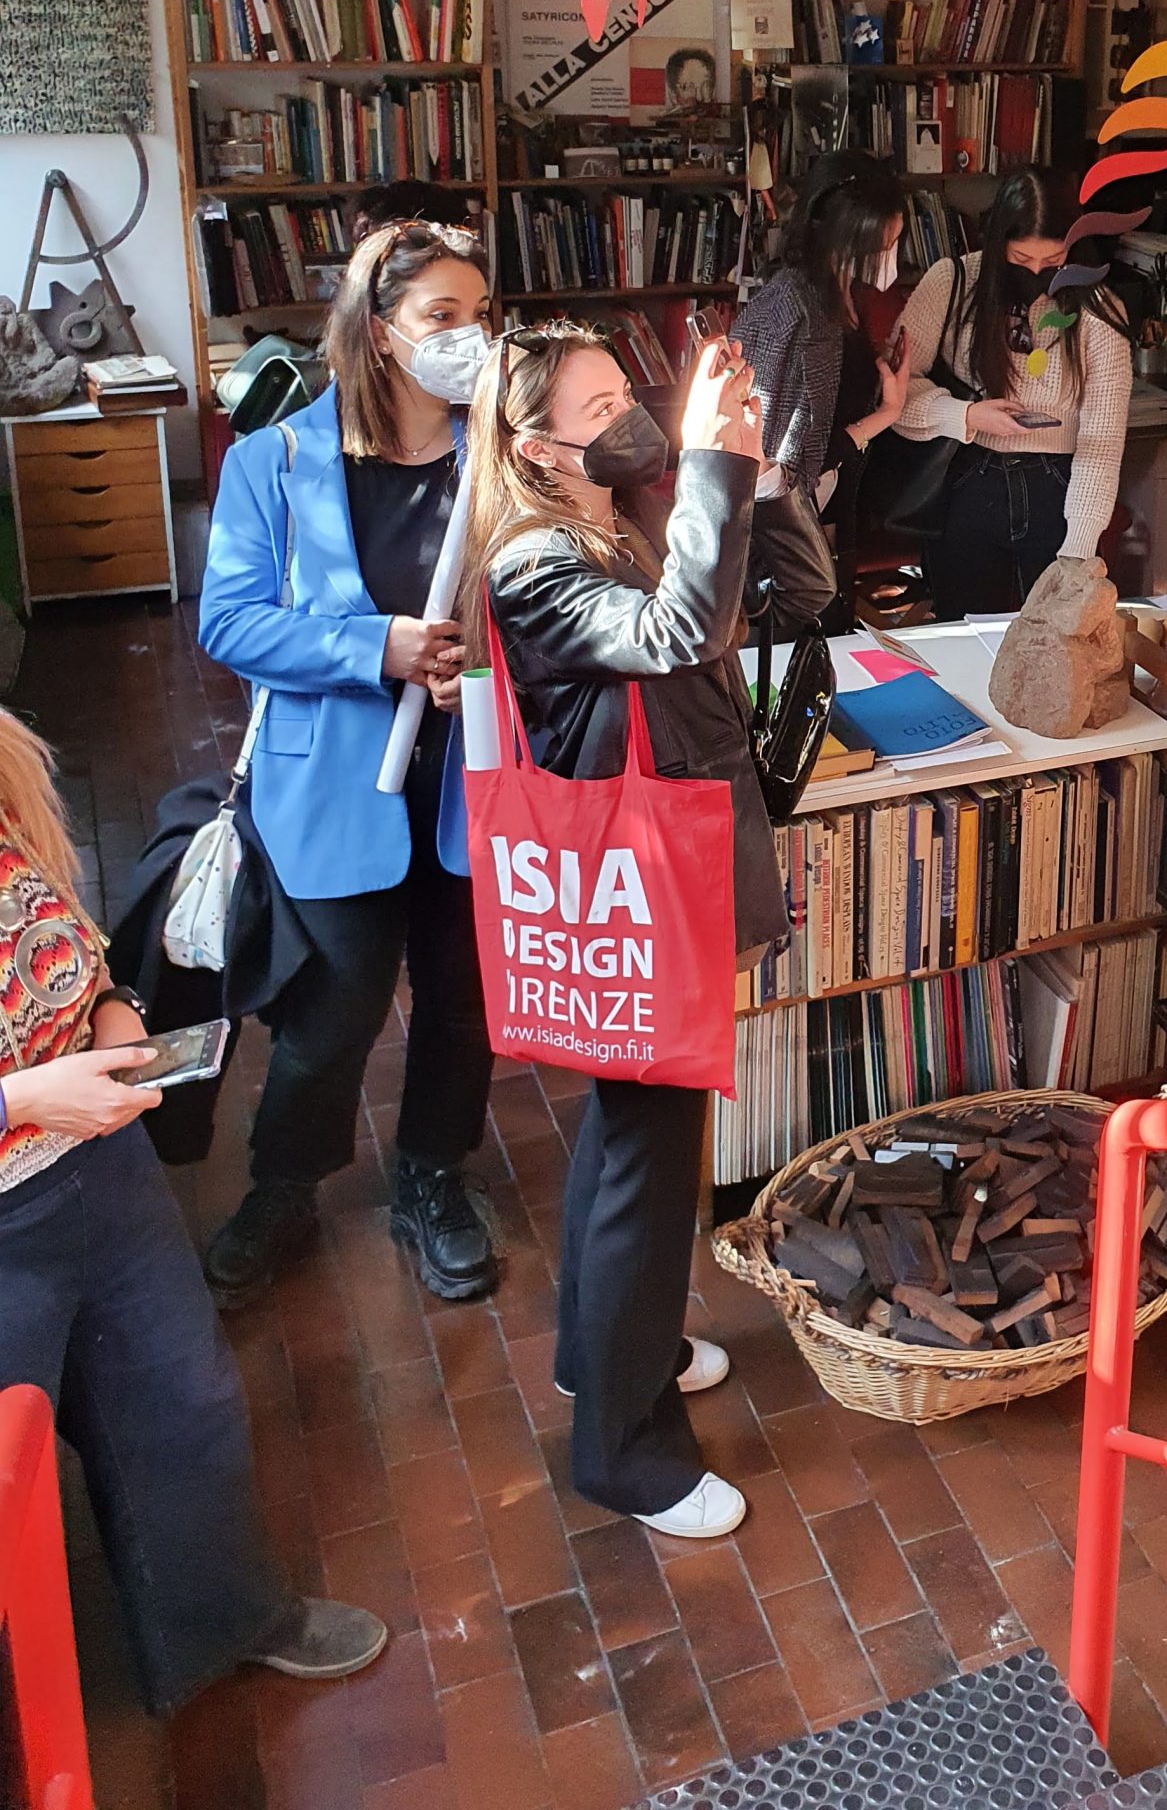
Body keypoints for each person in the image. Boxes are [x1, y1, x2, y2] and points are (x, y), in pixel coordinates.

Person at [461, 322, 826, 1540]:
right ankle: (622, 1451)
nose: (629, 413)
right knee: (647, 1148)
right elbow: (680, 635)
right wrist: (706, 470)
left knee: (635, 1136)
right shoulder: (532, 563)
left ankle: (605, 1355)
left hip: (661, 873)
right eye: (598, 401)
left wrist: (751, 464)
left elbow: (801, 592)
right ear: (536, 446)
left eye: (629, 388)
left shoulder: (622, 512)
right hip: (633, 886)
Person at [0, 706, 388, 1710]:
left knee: (184, 1402)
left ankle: (221, 1622)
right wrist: (25, 1099)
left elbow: (47, 924)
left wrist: (111, 1001)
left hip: (99, 1161)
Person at [195, 219, 499, 1307]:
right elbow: (229, 624)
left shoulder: (498, 460)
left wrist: (486, 669)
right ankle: (283, 1182)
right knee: (336, 1008)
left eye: (480, 316)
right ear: (378, 333)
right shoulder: (274, 463)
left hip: (467, 780)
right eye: (442, 318)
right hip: (330, 784)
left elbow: (540, 604)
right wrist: (380, 647)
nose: (470, 339)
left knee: (464, 1000)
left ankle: (432, 1173)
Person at [895, 165, 1132, 620]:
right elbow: (892, 393)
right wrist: (964, 415)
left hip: (1058, 487)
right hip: (967, 478)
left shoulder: (1098, 310)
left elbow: (1101, 441)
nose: (1038, 274)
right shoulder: (953, 283)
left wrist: (1079, 547)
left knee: (1057, 639)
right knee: (959, 629)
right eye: (1021, 260)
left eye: (1053, 263)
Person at [732, 151, 910, 533]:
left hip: (832, 503)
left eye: (895, 242)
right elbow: (786, 463)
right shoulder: (796, 315)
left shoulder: (842, 289)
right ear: (839, 237)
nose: (888, 259)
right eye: (880, 248)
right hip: (788, 524)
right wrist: (888, 412)